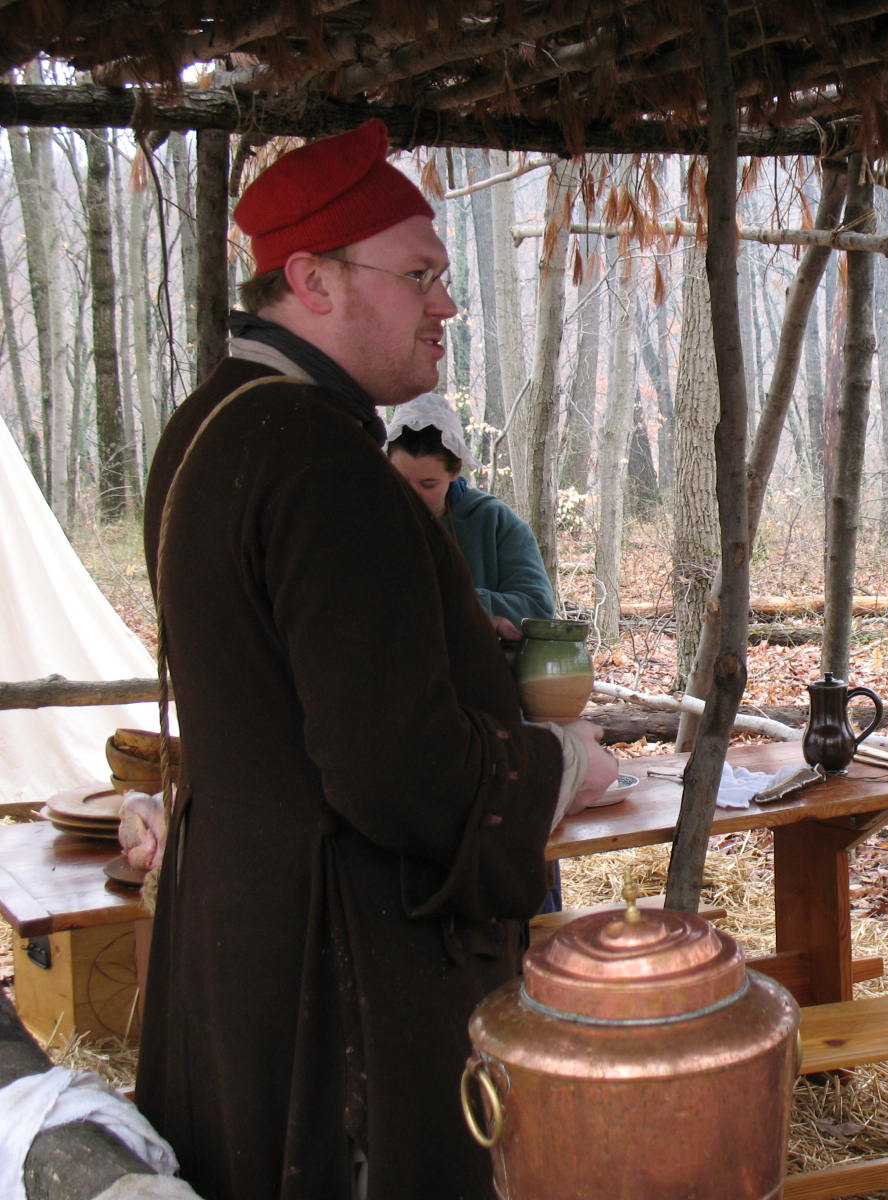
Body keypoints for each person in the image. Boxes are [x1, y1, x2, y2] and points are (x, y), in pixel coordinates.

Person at [138, 119, 616, 1200]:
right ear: (311, 278)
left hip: (242, 928)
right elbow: (390, 766)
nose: (446, 303)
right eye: (419, 276)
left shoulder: (212, 425)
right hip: (336, 965)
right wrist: (560, 766)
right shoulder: (319, 458)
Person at [386, 393, 555, 629]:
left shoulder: (495, 521)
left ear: (455, 471)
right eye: (401, 481)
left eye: (428, 484)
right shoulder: (369, 520)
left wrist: (454, 598)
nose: (411, 495)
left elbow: (537, 609)